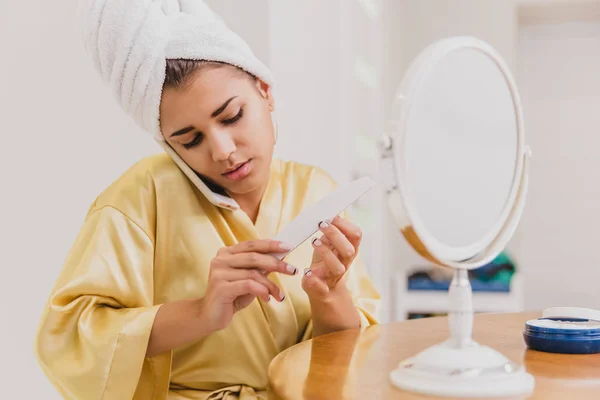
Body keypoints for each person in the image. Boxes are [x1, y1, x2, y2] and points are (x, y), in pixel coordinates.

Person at [34, 1, 380, 399]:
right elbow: (66, 338)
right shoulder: (140, 196)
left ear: (264, 91)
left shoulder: (316, 191)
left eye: (232, 116)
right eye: (190, 139)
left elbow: (345, 360)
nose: (222, 150)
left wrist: (328, 293)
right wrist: (200, 312)